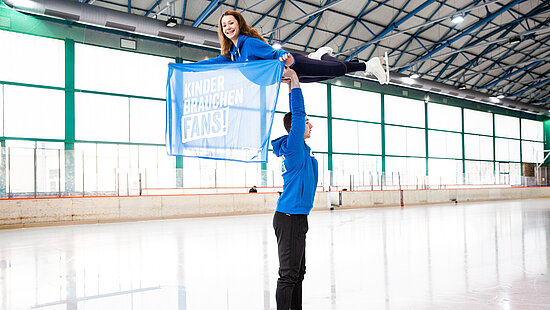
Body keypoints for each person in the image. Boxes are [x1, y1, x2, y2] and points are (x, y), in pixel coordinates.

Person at [199, 10, 389, 84]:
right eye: (224, 26)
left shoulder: (249, 43)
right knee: (332, 74)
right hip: (287, 76)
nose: (228, 28)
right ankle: (364, 65)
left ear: (239, 24)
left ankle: (325, 57)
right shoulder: (233, 54)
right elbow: (214, 62)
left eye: (231, 23)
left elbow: (274, 52)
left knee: (339, 68)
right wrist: (181, 67)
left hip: (293, 64)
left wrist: (284, 57)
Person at [270, 67, 318, 310]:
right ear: (296, 129)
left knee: (298, 273)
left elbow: (298, 116)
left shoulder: (304, 151)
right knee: (288, 275)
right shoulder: (295, 148)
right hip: (288, 217)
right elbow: (298, 113)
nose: (311, 126)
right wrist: (296, 80)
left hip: (298, 218)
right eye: (308, 123)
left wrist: (289, 83)